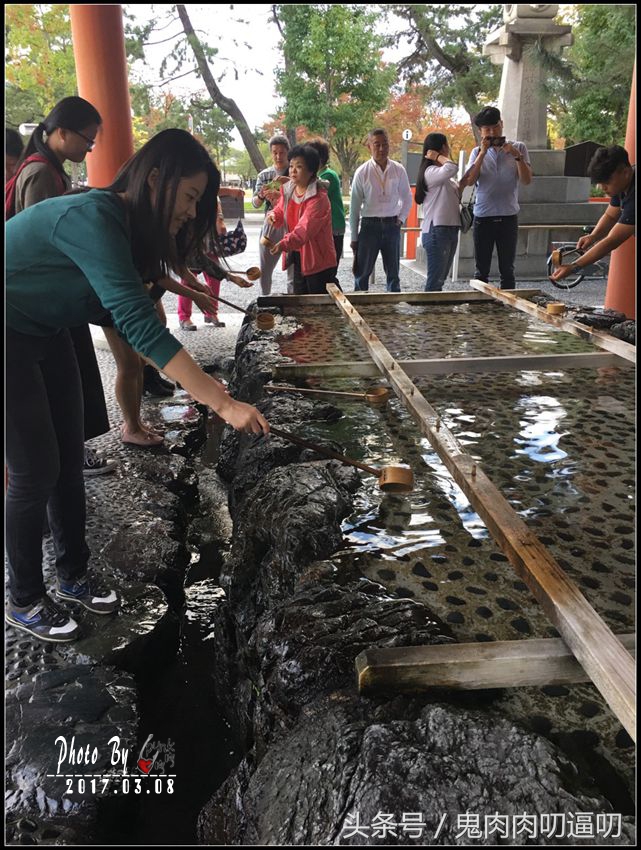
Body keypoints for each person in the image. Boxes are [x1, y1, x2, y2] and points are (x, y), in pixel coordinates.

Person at [6, 128, 269, 643]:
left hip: (46, 326)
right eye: (191, 197)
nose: (193, 212)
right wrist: (222, 402)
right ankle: (23, 598)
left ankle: (73, 574)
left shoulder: (129, 229)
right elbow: (140, 325)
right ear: (155, 180)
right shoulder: (94, 217)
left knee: (67, 453)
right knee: (34, 469)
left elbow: (139, 289)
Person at [8, 96, 117, 477]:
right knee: (64, 388)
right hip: (39, 303)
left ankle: (68, 454)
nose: (89, 148)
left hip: (50, 300)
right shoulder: (40, 174)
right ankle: (65, 454)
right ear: (61, 132)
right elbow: (46, 243)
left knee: (76, 380)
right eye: (87, 140)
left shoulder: (52, 169)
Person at [459, 106, 532, 290]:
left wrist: (517, 157)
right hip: (483, 216)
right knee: (481, 269)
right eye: (487, 129)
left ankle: (507, 309)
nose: (492, 133)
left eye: (495, 127)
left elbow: (526, 180)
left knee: (507, 269)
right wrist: (483, 153)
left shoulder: (519, 147)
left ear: (502, 125)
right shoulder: (477, 152)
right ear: (480, 131)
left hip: (508, 215)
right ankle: (479, 310)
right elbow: (470, 181)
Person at [550, 145, 635, 283]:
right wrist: (594, 236)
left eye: (606, 182)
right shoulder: (623, 184)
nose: (602, 188)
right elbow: (611, 215)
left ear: (625, 172)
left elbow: (611, 241)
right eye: (600, 183)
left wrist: (574, 267)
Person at [267, 144, 337, 295]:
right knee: (300, 299)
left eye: (299, 166)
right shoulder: (288, 189)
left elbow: (304, 229)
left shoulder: (319, 198)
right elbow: (280, 208)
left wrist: (283, 244)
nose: (292, 170)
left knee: (319, 301)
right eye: (291, 165)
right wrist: (274, 216)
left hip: (318, 258)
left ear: (311, 170)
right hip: (298, 253)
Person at [349, 128, 413, 292]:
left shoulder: (398, 170)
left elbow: (407, 197)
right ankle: (360, 308)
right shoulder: (362, 172)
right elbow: (355, 207)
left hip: (392, 224)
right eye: (377, 144)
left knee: (393, 274)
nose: (382, 149)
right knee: (362, 273)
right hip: (370, 226)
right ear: (369, 146)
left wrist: (401, 219)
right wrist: (354, 238)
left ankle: (392, 310)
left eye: (385, 144)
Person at [415, 133, 461, 292]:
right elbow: (453, 167)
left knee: (440, 279)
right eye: (446, 146)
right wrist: (438, 156)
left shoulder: (442, 176)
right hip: (437, 230)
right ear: (442, 148)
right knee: (435, 281)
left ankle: (434, 313)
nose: (448, 149)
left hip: (449, 228)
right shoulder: (431, 172)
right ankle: (428, 314)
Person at [252, 134, 294, 295]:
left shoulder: (294, 171)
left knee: (293, 266)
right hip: (270, 223)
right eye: (275, 152)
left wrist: (286, 185)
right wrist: (262, 195)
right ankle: (265, 298)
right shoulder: (264, 175)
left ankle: (293, 299)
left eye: (282, 152)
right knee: (265, 267)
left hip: (291, 223)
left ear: (287, 153)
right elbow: (255, 203)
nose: (278, 156)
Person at [307, 138, 346, 265]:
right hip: (326, 227)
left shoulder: (327, 175)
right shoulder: (319, 174)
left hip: (333, 227)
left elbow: (310, 192)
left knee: (329, 269)